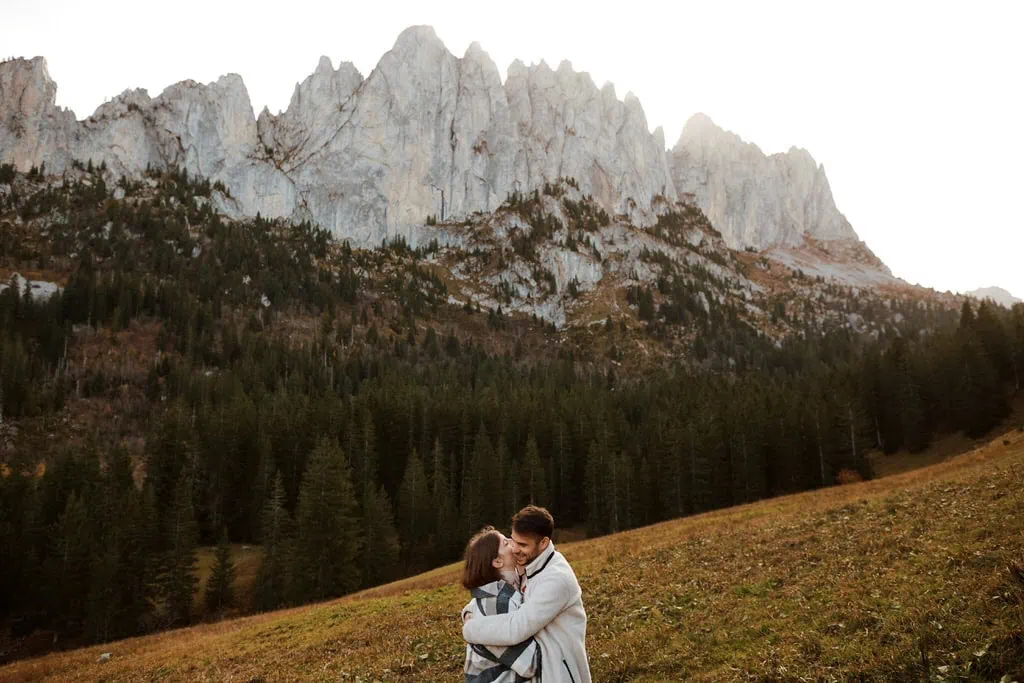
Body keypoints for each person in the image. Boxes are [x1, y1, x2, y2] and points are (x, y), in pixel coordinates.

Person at [463, 506, 591, 683]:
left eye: (522, 545)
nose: (515, 549)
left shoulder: (556, 579)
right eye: (512, 541)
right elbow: (496, 593)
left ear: (544, 543)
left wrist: (471, 628)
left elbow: (517, 627)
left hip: (558, 670)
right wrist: (469, 610)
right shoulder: (528, 565)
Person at [460, 526, 539, 682]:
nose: (513, 542)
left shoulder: (501, 591)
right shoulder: (499, 603)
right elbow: (530, 664)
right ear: (497, 561)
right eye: (506, 542)